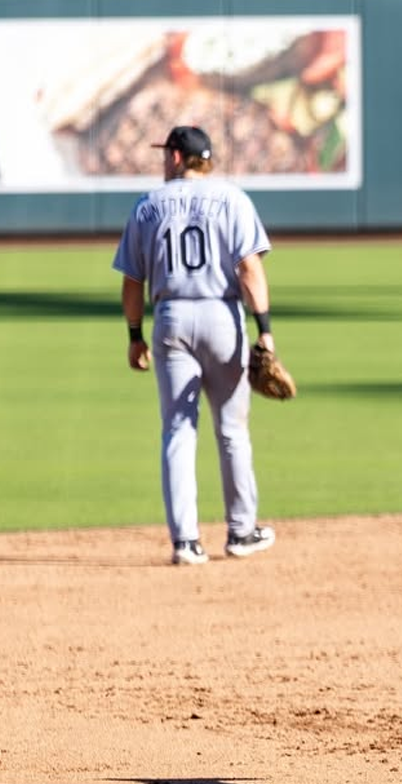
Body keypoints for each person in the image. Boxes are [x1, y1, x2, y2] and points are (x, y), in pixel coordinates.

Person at [113, 125, 278, 565]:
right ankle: (241, 532)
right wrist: (264, 329)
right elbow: (249, 270)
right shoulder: (234, 199)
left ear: (175, 158)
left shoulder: (148, 206)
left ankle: (186, 541)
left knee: (178, 430)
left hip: (170, 318)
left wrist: (134, 334)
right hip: (222, 316)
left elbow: (133, 281)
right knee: (232, 430)